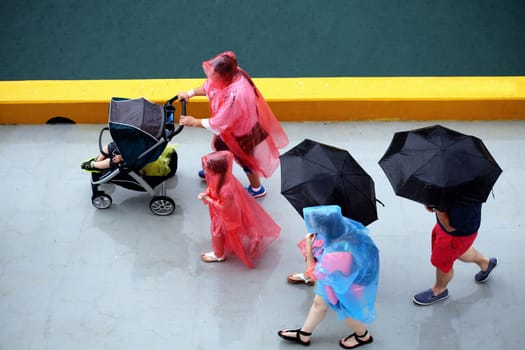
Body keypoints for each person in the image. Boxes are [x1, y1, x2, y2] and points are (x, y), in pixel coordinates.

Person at [178, 51, 289, 198]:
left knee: (247, 161)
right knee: (219, 147)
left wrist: (194, 121)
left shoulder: (236, 95)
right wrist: (190, 93)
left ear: (223, 76)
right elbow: (209, 86)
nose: (211, 78)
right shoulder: (230, 74)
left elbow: (219, 123)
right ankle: (214, 170)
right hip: (230, 131)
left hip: (242, 134)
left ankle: (257, 189)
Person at [278, 205, 379, 348]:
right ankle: (304, 334)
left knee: (345, 311)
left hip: (342, 286)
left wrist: (308, 246)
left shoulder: (334, 254)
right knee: (319, 304)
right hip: (340, 277)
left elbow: (312, 275)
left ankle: (363, 336)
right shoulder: (347, 228)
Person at [197, 150, 280, 268]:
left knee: (217, 233)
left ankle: (218, 255)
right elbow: (212, 189)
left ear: (217, 170)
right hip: (233, 209)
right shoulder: (222, 179)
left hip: (225, 213)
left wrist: (208, 199)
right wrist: (207, 193)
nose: (204, 171)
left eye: (206, 168)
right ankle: (254, 236)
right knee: (242, 225)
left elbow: (224, 207)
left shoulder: (225, 189)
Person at [412, 203, 498, 306]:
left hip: (456, 233)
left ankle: (439, 290)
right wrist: (433, 201)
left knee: (443, 262)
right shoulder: (459, 189)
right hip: (451, 227)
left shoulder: (464, 198)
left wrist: (438, 208)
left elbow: (450, 227)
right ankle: (486, 263)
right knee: (459, 251)